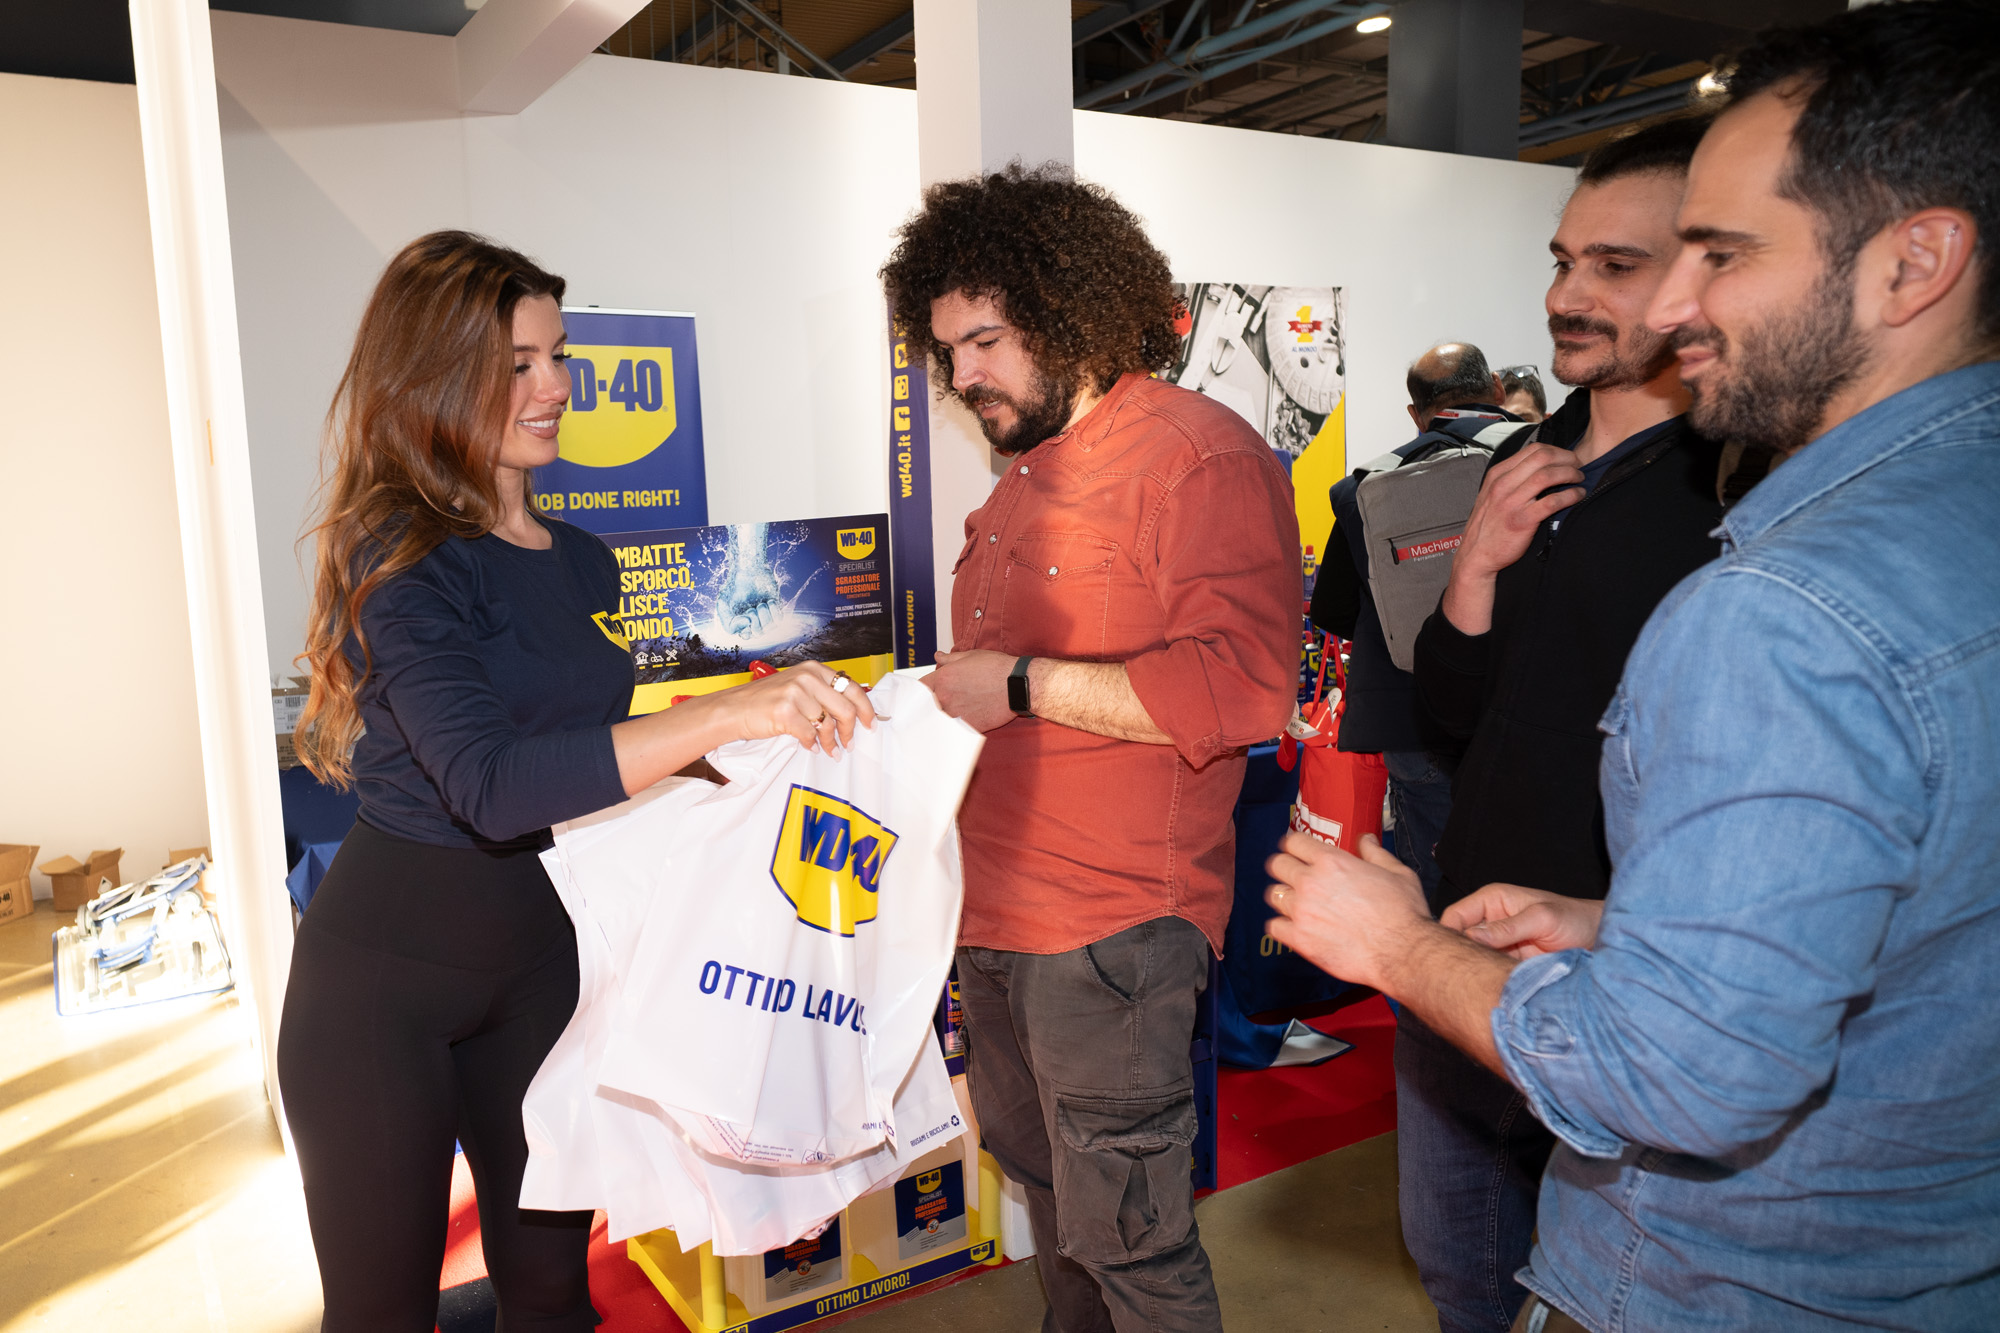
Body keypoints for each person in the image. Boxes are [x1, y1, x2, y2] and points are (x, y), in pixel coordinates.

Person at [1265, 2, 2000, 1329]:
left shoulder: (1777, 594)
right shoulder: (1918, 525)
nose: (1663, 305)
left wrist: (1395, 944)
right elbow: (1918, 914)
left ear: (1915, 264)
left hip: (1720, 1270)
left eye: (1716, 253)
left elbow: (1673, 1074)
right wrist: (1627, 929)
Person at [278, 231, 874, 1332]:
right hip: (381, 997)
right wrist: (723, 712)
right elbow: (492, 784)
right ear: (434, 377)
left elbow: (587, 753)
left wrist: (762, 753)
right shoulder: (401, 555)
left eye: (558, 355)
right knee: (380, 1314)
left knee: (554, 1294)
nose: (556, 386)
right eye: (518, 363)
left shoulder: (584, 558)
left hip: (542, 971)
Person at [880, 165, 1298, 1333]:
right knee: (1053, 1200)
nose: (963, 374)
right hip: (993, 916)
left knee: (1129, 1237)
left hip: (1112, 927)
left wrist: (1018, 682)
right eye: (947, 350)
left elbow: (1244, 687)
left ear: (1071, 314)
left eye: (985, 341)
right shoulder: (1023, 478)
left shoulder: (1197, 457)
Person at [1394, 115, 1724, 1333]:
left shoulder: (1734, 478)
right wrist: (1474, 566)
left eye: (1612, 266)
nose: (1564, 296)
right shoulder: (1530, 451)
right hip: (1467, 939)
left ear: (1701, 278)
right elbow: (1451, 712)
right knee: (1457, 1266)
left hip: (1623, 968)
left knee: (1602, 1290)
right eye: (1561, 261)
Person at [1309, 341, 1523, 901]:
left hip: (1415, 725)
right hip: (1520, 714)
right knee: (1525, 885)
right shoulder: (1540, 457)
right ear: (1497, 389)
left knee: (1432, 890)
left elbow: (1332, 610)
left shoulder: (1363, 488)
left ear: (1415, 412)